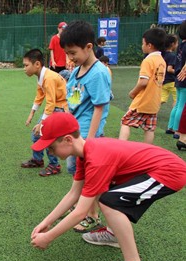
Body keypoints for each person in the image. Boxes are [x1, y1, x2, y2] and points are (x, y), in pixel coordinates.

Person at [30, 112, 186, 261]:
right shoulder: (84, 154)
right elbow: (73, 194)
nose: (50, 152)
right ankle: (114, 234)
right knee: (104, 195)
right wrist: (46, 222)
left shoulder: (96, 160)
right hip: (155, 169)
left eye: (51, 148)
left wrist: (48, 238)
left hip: (169, 172)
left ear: (67, 140)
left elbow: (80, 212)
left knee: (109, 201)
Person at [61, 20, 112, 232]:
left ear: (89, 47)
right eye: (67, 54)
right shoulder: (77, 70)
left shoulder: (99, 73)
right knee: (74, 170)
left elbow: (99, 108)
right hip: (75, 132)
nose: (70, 58)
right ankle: (81, 206)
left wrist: (89, 141)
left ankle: (91, 214)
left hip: (87, 136)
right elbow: (73, 100)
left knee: (90, 177)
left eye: (73, 53)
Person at [21, 48, 67, 177]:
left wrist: (42, 122)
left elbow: (51, 103)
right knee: (36, 135)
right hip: (55, 107)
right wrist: (31, 114)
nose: (24, 68)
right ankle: (37, 160)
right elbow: (39, 96)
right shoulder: (41, 76)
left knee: (45, 135)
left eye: (26, 65)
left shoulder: (49, 78)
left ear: (37, 64)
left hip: (60, 108)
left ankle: (54, 165)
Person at [119, 28, 166, 145]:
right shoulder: (162, 61)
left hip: (142, 102)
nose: (142, 46)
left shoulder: (148, 60)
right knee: (149, 128)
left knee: (125, 122)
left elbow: (143, 82)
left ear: (149, 45)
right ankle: (147, 150)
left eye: (143, 43)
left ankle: (121, 146)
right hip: (154, 103)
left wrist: (133, 93)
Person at [167, 21, 186, 139]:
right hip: (184, 78)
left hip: (177, 77)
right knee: (182, 105)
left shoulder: (180, 46)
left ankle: (171, 127)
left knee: (178, 103)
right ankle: (178, 131)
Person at [161, 34, 178, 114]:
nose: (177, 45)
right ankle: (175, 114)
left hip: (164, 81)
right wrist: (178, 71)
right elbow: (169, 69)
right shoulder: (172, 56)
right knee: (177, 99)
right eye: (177, 43)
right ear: (172, 44)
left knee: (162, 99)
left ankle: (151, 111)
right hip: (172, 82)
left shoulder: (162, 54)